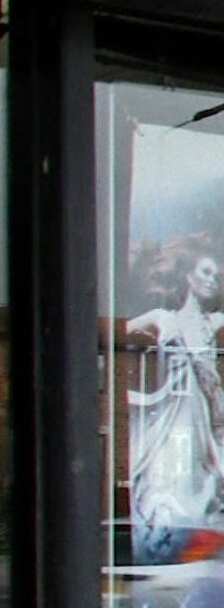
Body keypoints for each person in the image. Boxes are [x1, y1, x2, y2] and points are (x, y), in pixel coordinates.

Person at [125, 236, 224, 563]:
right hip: (177, 413)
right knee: (171, 483)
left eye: (217, 276)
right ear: (188, 276)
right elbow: (110, 330)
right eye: (207, 272)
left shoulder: (213, 323)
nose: (213, 280)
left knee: (206, 481)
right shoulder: (164, 318)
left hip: (205, 414)